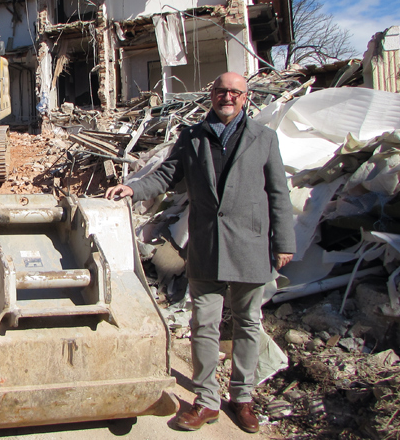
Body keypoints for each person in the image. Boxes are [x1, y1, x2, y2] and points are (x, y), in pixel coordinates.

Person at [106, 72, 294, 434]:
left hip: (252, 246)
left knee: (248, 324)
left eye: (235, 92)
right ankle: (207, 400)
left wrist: (284, 242)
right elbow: (166, 176)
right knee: (203, 325)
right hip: (207, 245)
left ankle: (242, 398)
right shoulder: (192, 137)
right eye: (221, 90)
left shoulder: (263, 138)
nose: (228, 97)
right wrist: (133, 188)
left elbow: (279, 195)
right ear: (212, 94)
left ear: (245, 98)